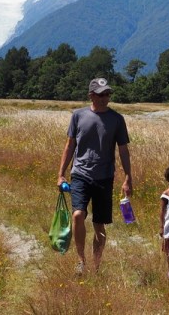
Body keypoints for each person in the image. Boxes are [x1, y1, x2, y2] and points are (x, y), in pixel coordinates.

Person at [57, 77, 132, 275]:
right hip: (80, 173)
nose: (105, 98)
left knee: (99, 224)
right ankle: (81, 261)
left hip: (104, 177)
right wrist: (61, 174)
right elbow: (70, 145)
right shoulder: (78, 116)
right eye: (101, 94)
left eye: (107, 94)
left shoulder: (117, 119)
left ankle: (96, 266)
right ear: (91, 95)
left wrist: (128, 177)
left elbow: (123, 150)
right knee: (78, 214)